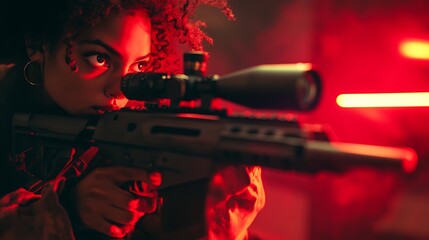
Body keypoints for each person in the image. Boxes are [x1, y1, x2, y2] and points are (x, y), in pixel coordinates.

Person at [0, 0, 265, 239]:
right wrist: (68, 206)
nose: (119, 89)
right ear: (36, 43)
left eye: (138, 67)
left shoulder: (129, 133)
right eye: (99, 58)